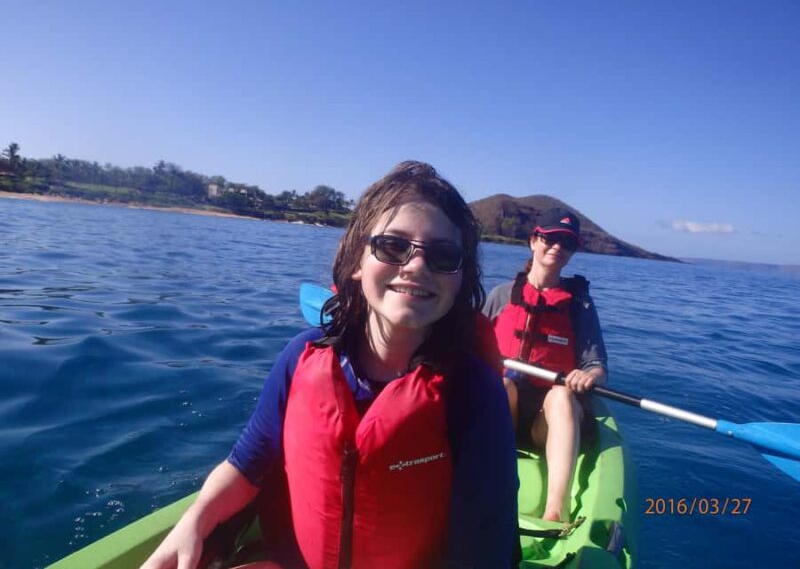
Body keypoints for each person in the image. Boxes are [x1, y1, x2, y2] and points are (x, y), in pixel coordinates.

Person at [142, 161, 518, 569]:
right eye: (393, 246)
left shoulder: (474, 391)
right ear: (357, 261)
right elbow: (247, 465)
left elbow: (484, 547)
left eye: (443, 255)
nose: (415, 266)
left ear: (462, 278)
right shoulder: (301, 357)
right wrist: (194, 523)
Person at [483, 208, 607, 523]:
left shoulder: (579, 306)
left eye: (566, 243)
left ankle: (556, 510)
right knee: (502, 384)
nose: (556, 247)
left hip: (548, 421)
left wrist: (587, 375)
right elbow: (471, 348)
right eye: (550, 238)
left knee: (561, 394)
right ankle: (484, 487)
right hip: (503, 415)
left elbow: (596, 365)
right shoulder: (501, 296)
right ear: (534, 241)